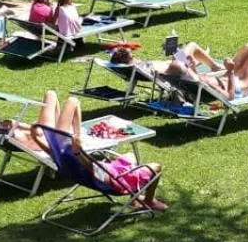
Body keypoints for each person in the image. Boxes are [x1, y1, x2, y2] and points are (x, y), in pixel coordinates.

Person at [16, 90, 167, 211]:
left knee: (130, 155)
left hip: (105, 171)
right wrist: (77, 151)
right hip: (115, 180)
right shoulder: (82, 161)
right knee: (156, 167)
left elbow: (49, 149)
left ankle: (137, 191)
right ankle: (148, 200)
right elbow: (92, 167)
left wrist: (37, 138)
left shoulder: (59, 153)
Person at [165, 41, 248, 98]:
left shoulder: (191, 77)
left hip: (227, 79)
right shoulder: (201, 82)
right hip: (239, 86)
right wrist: (230, 71)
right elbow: (230, 96)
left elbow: (180, 58)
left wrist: (189, 63)